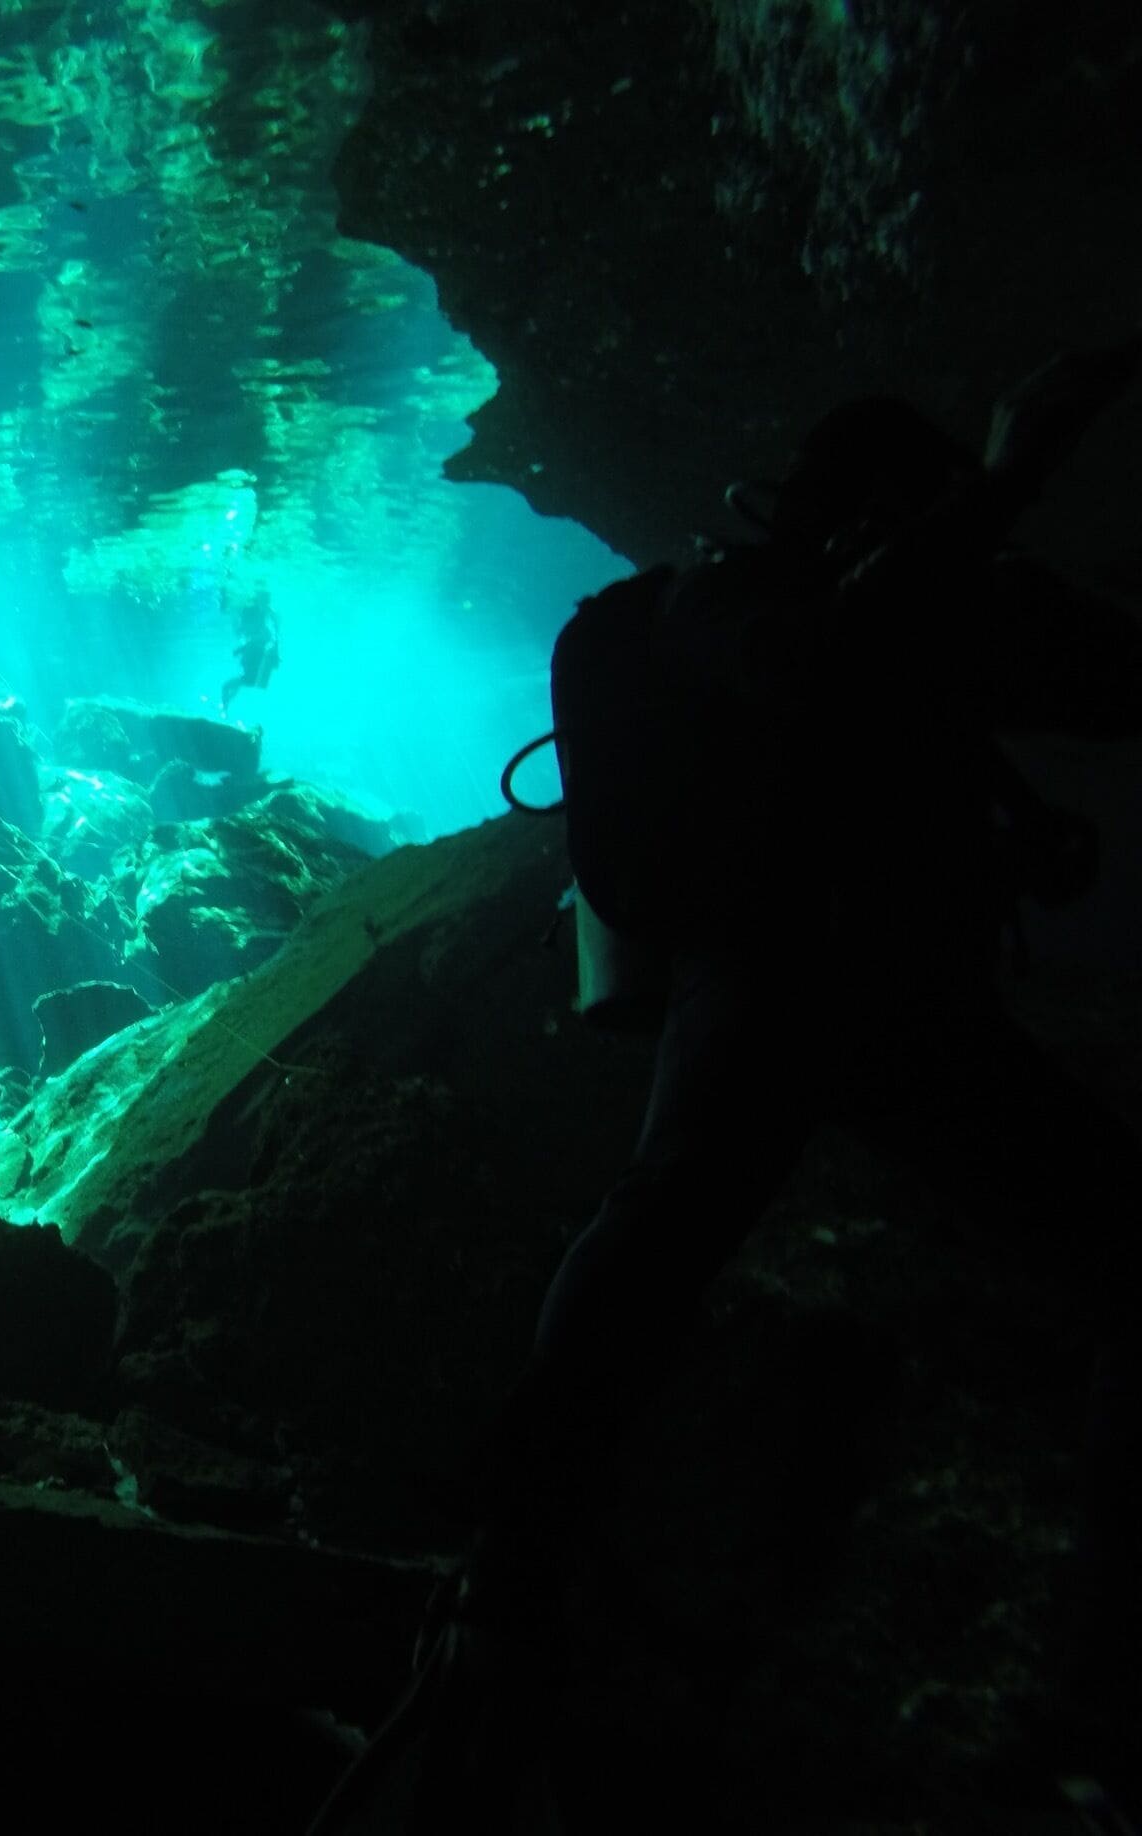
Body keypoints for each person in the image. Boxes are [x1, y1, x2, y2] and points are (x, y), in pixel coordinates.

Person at [331, 346, 1142, 1832]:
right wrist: (1008, 481)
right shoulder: (731, 600)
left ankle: (1100, 1690)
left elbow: (1083, 676)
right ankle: (501, 1602)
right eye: (916, 514)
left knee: (661, 1244)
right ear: (859, 513)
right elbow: (814, 660)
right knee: (653, 1245)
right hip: (777, 988)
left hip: (889, 1007)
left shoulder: (911, 606)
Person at [223, 580, 280, 711]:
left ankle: (225, 709)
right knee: (231, 686)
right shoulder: (258, 627)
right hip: (256, 650)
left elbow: (261, 638)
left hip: (256, 651)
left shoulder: (259, 629)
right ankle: (225, 708)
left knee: (229, 686)